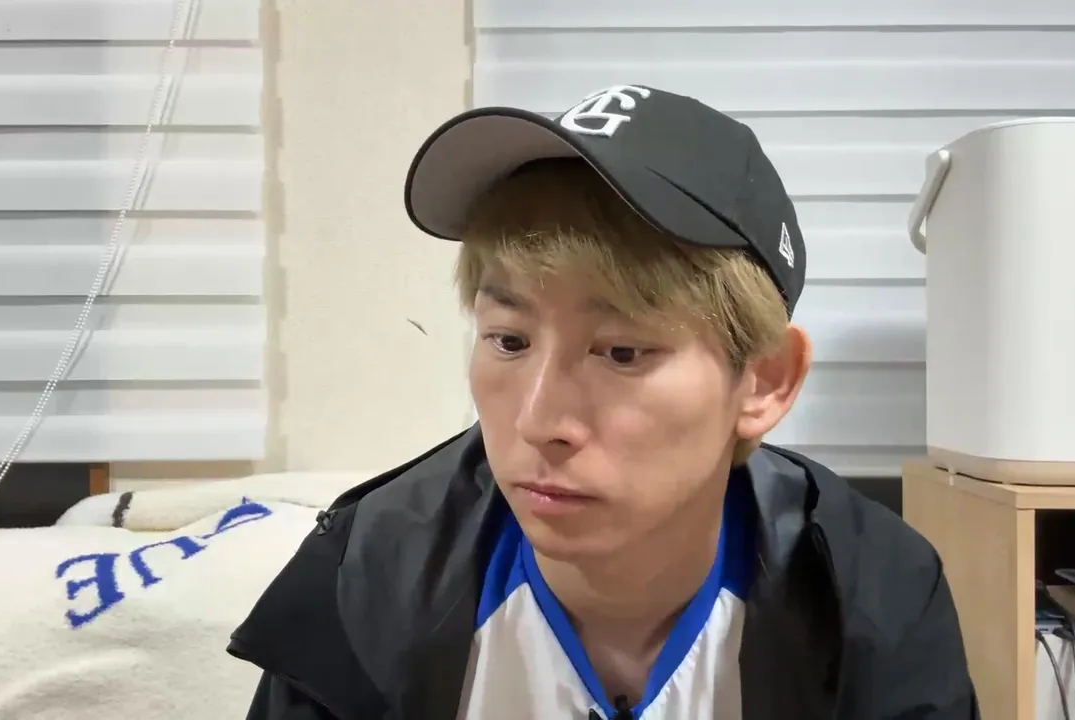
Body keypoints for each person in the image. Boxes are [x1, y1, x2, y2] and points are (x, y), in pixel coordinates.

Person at [228, 85, 978, 720]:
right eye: (509, 340)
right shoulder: (366, 581)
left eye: (621, 352)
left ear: (763, 381)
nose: (538, 421)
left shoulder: (870, 597)